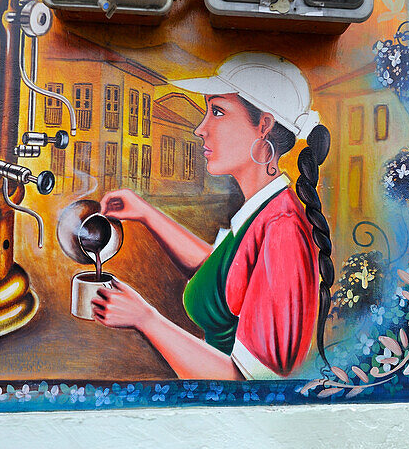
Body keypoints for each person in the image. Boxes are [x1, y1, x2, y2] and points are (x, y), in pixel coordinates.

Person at [91, 52, 333, 380]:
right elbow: (223, 279)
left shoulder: (282, 230)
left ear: (263, 126)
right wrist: (146, 213)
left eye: (217, 111)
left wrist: (145, 319)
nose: (200, 128)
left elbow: (251, 384)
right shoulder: (263, 210)